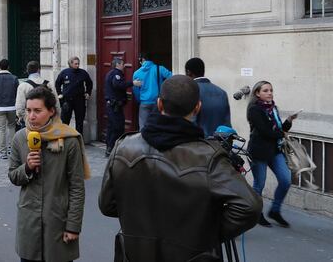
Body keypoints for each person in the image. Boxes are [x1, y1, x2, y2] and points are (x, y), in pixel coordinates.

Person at [99, 75, 261, 261]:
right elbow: (250, 207)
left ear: (159, 104)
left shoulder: (123, 147)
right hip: (192, 255)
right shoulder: (210, 156)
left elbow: (107, 204)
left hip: (136, 253)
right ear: (197, 107)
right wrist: (205, 231)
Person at [8, 86, 88, 262]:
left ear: (51, 111)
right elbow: (13, 175)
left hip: (58, 223)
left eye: (37, 110)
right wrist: (27, 167)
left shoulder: (69, 141)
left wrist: (73, 226)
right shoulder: (20, 138)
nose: (31, 116)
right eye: (28, 110)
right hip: (29, 222)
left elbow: (77, 187)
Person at [247, 80, 299, 228]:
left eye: (271, 90)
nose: (269, 93)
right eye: (265, 90)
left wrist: (288, 121)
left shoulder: (273, 108)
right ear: (257, 93)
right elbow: (265, 131)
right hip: (259, 151)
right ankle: (256, 214)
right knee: (259, 184)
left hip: (275, 150)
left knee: (285, 180)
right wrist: (282, 134)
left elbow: (279, 129)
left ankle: (275, 211)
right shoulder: (254, 110)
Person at [185, 57, 231, 137]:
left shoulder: (191, 91)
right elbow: (227, 123)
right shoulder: (222, 92)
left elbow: (191, 122)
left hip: (200, 143)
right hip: (221, 143)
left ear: (188, 72)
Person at [103, 57, 140, 157]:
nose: (124, 66)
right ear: (118, 64)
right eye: (122, 64)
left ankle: (109, 148)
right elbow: (117, 85)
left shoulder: (110, 73)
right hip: (115, 106)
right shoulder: (116, 74)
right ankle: (113, 148)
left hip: (112, 105)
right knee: (118, 127)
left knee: (111, 127)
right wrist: (133, 83)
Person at [132, 53, 172, 130]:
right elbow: (173, 78)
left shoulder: (137, 73)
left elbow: (136, 90)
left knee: (143, 127)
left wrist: (139, 100)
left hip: (144, 102)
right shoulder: (159, 69)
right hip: (157, 102)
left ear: (142, 59)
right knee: (158, 126)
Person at [55, 56, 94, 134]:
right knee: (65, 121)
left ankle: (79, 139)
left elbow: (89, 83)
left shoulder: (83, 73)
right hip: (67, 100)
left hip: (79, 100)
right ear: (71, 64)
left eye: (78, 63)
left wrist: (88, 92)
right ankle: (64, 138)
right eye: (76, 64)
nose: (77, 65)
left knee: (80, 121)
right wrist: (59, 94)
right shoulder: (64, 72)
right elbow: (57, 83)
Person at [15, 61, 57, 127]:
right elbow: (56, 105)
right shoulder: (49, 84)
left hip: (29, 122)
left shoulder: (23, 86)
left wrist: (27, 120)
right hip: (47, 121)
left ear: (27, 70)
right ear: (39, 70)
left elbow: (19, 109)